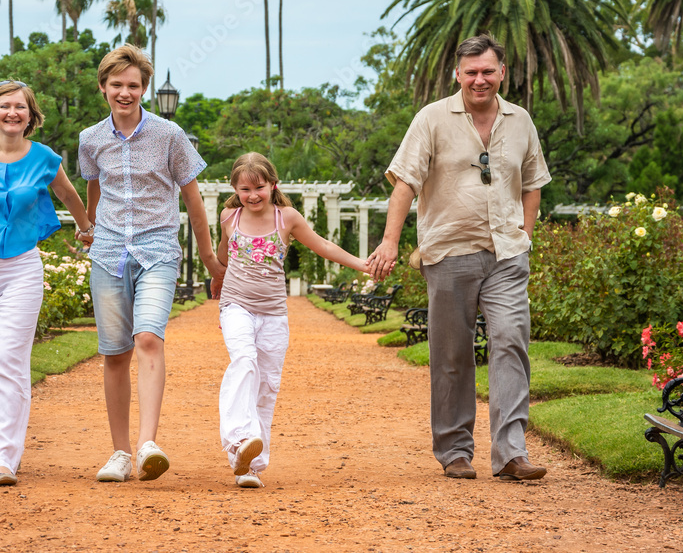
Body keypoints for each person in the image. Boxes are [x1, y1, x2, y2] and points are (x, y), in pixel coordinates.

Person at [367, 34, 551, 482]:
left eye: (488, 71)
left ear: (503, 72)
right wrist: (390, 242)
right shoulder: (431, 119)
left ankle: (511, 453)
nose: (480, 79)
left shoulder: (521, 121)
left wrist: (525, 234)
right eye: (471, 72)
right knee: (452, 354)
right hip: (449, 252)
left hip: (507, 254)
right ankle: (455, 451)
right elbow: (405, 184)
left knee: (511, 341)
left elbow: (532, 182)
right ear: (457, 74)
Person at [79, 44, 226, 483]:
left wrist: (209, 259)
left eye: (134, 86)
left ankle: (147, 445)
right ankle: (119, 453)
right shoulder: (90, 139)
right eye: (117, 85)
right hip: (107, 253)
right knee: (114, 354)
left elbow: (194, 200)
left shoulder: (169, 134)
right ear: (104, 87)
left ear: (144, 89)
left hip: (158, 250)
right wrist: (88, 227)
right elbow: (94, 190)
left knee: (147, 337)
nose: (125, 93)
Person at [0, 80, 94, 487]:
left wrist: (85, 227)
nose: (12, 113)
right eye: (4, 106)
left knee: (8, 361)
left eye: (20, 107)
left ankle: (2, 459)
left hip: (21, 269)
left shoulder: (43, 157)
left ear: (30, 115)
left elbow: (70, 194)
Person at [212, 152, 369, 488]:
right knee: (244, 362)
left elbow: (324, 246)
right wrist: (216, 275)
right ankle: (239, 439)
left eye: (259, 187)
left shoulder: (288, 218)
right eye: (245, 189)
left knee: (267, 386)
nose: (252, 195)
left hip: (273, 314)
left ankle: (248, 465)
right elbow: (224, 252)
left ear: (273, 185)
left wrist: (363, 265)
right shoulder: (229, 216)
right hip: (236, 306)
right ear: (235, 190)